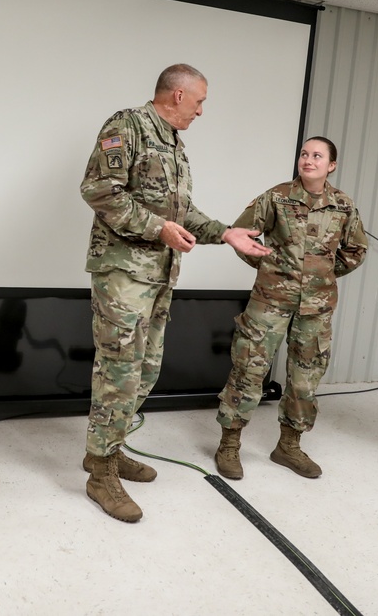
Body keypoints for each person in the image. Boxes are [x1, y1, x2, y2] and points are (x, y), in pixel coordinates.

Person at [79, 63, 271, 523]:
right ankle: (100, 472)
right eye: (200, 101)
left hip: (160, 277)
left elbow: (180, 213)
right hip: (124, 274)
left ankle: (111, 447)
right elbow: (100, 190)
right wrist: (156, 229)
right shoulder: (127, 126)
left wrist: (226, 234)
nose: (202, 111)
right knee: (119, 371)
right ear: (179, 95)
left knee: (144, 371)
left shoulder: (175, 145)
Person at [213, 136, 368, 480]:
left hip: (317, 306)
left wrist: (323, 274)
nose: (308, 159)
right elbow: (241, 234)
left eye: (317, 155)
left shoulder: (343, 205)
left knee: (305, 378)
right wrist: (271, 269)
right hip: (269, 300)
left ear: (331, 165)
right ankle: (229, 444)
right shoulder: (277, 197)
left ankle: (289, 446)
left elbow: (356, 249)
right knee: (249, 369)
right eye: (304, 154)